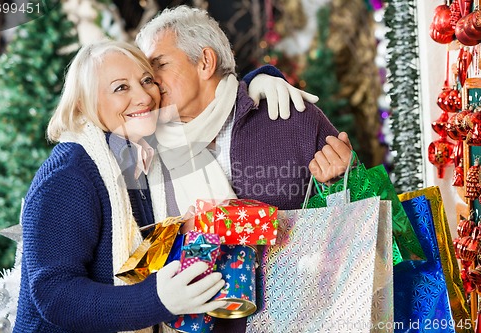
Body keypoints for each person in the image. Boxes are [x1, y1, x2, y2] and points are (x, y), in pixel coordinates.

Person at [135, 5, 353, 332]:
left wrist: (340, 179)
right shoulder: (143, 147)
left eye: (160, 65)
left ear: (205, 62)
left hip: (305, 317)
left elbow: (361, 224)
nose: (151, 82)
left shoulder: (289, 115)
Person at [14, 40, 227, 333]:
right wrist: (157, 298)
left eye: (147, 80)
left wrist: (177, 233)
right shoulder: (70, 172)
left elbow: (122, 262)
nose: (144, 96)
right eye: (120, 88)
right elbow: (54, 295)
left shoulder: (132, 158)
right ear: (82, 103)